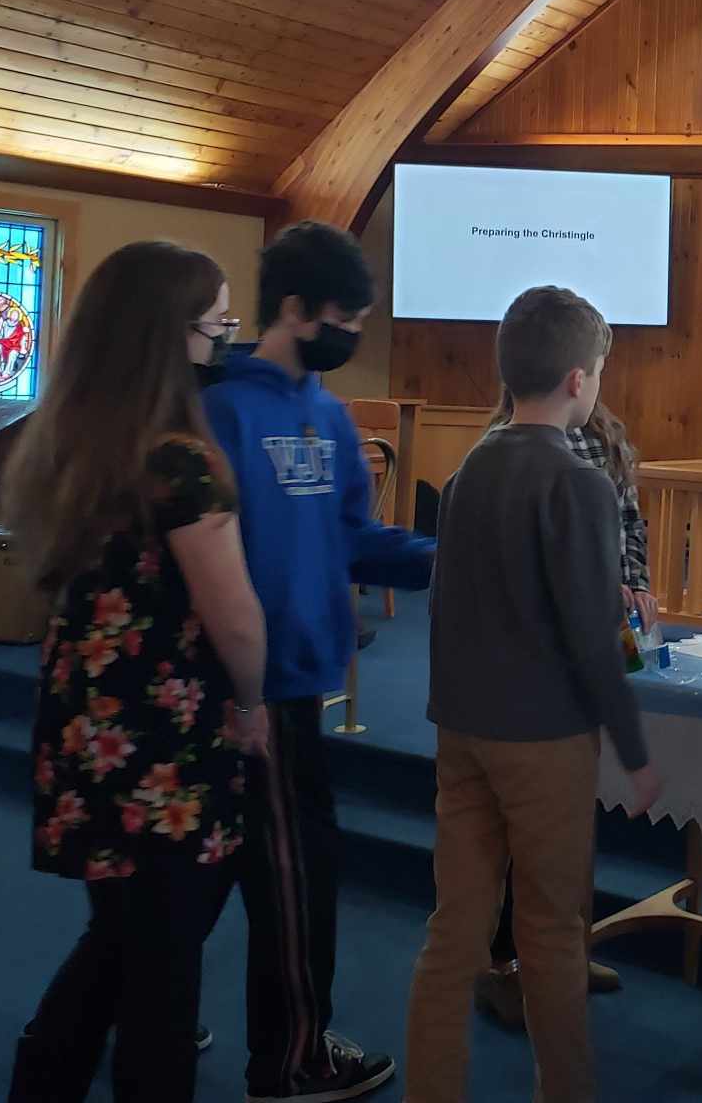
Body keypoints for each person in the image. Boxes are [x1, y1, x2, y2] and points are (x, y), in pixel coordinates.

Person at [4, 242, 269, 1103]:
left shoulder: (74, 445)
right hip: (165, 741)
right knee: (161, 971)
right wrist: (256, 703)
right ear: (166, 338)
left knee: (120, 940)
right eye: (215, 323)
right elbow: (232, 613)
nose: (224, 339)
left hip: (88, 727)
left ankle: (40, 1085)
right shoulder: (177, 458)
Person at [404, 286, 661, 1103]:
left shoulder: (471, 465)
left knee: (455, 931)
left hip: (463, 727)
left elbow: (443, 602)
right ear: (582, 381)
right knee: (552, 935)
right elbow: (592, 634)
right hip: (544, 737)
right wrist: (633, 744)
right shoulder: (578, 482)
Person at [202, 221, 435, 1103]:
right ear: (293, 309)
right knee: (296, 880)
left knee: (239, 871)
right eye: (343, 317)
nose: (352, 335)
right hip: (241, 687)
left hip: (302, 681)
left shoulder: (329, 416)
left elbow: (350, 536)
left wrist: (438, 555)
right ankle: (293, 1059)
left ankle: (130, 1008)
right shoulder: (221, 406)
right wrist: (238, 686)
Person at [469, 390, 658, 1030]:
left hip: (593, 641)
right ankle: (506, 965)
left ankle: (565, 954)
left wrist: (634, 581)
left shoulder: (605, 435)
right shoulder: (506, 446)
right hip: (529, 664)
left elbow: (628, 520)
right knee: (525, 827)